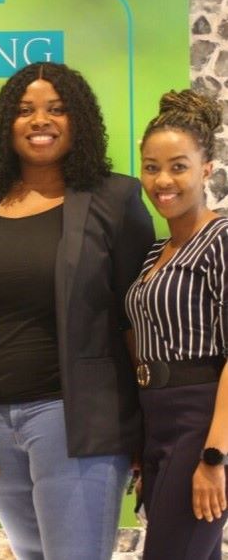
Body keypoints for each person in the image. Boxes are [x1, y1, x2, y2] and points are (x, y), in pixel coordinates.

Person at [0, 62, 155, 560]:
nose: (41, 121)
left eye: (56, 110)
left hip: (76, 419)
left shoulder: (115, 198)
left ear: (78, 120)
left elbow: (136, 317)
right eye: (25, 111)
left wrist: (148, 429)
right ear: (5, 124)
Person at [125, 90, 227, 559]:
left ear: (206, 168)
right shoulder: (153, 254)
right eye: (151, 166)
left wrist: (214, 457)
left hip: (201, 421)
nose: (162, 180)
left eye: (178, 166)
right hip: (158, 420)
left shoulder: (220, 240)